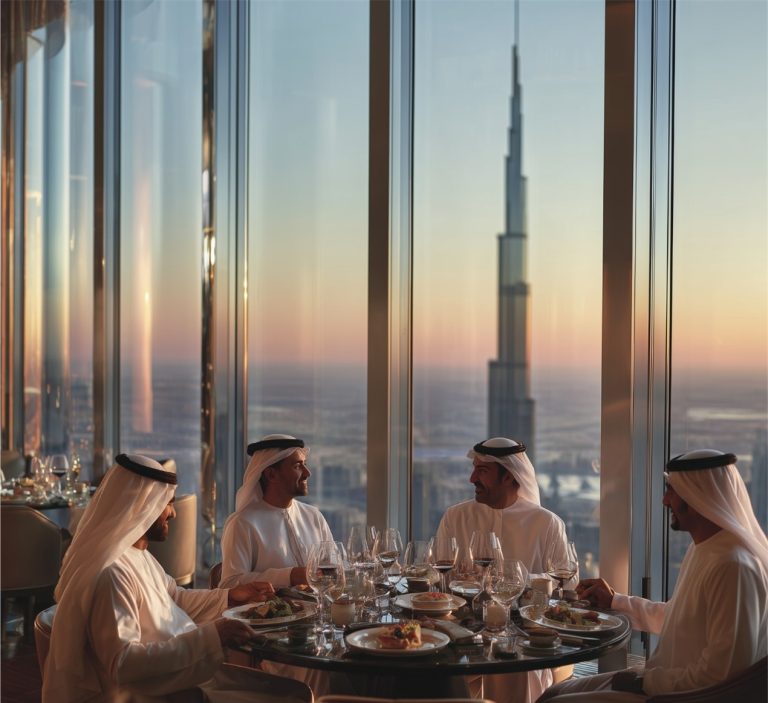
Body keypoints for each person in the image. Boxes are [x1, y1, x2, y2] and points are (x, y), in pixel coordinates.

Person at [43, 453, 282, 703]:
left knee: (287, 691)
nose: (173, 513)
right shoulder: (111, 573)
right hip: (156, 693)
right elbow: (124, 664)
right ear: (143, 506)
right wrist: (214, 634)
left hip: (177, 678)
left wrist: (230, 596)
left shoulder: (138, 555)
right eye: (167, 503)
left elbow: (173, 597)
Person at [539, 449, 768, 702]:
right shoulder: (705, 548)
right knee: (554, 691)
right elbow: (681, 620)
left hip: (681, 696)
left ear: (697, 496)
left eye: (672, 490)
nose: (665, 500)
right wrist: (615, 601)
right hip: (661, 681)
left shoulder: (733, 566)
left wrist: (645, 682)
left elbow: (719, 675)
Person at [435, 437, 576, 703]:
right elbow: (440, 580)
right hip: (461, 632)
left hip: (526, 638)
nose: (472, 478)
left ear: (510, 477)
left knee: (511, 666)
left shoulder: (547, 523)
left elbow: (566, 584)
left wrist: (519, 584)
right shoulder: (455, 517)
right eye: (474, 468)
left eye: (483, 471)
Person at [219, 434, 333, 589]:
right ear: (272, 474)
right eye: (297, 466)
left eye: (305, 464)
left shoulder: (314, 516)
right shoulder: (242, 523)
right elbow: (229, 585)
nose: (307, 473)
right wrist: (290, 576)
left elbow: (335, 567)